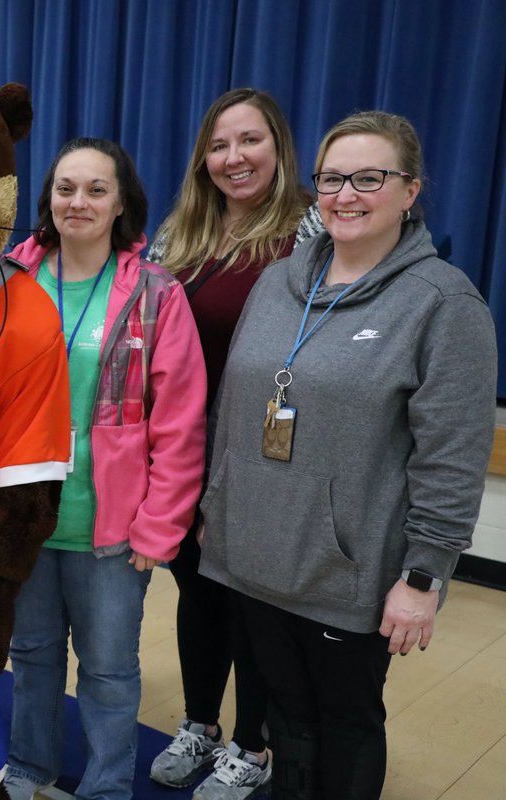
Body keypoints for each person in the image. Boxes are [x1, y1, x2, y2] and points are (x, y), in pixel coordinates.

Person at [198, 111, 497, 799]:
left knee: (344, 726)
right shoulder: (279, 284)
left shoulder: (443, 305)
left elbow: (451, 457)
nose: (346, 195)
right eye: (332, 179)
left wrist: (424, 578)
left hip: (348, 573)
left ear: (410, 191)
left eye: (369, 178)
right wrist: (220, 507)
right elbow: (236, 412)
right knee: (284, 720)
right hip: (255, 558)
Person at [4, 138, 207, 800]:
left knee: (109, 671)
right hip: (23, 519)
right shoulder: (8, 279)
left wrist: (159, 527)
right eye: (66, 188)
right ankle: (27, 767)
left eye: (96, 189)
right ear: (48, 197)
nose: (79, 202)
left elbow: (180, 423)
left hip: (111, 530)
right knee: (32, 658)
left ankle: (106, 786)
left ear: (122, 201)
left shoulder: (155, 293)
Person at [146, 88, 314, 798]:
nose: (233, 158)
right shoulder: (178, 232)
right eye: (219, 145)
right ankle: (200, 724)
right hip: (182, 448)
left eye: (250, 141)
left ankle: (252, 743)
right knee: (198, 590)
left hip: (262, 451)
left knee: (251, 600)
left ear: (278, 147)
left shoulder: (309, 230)